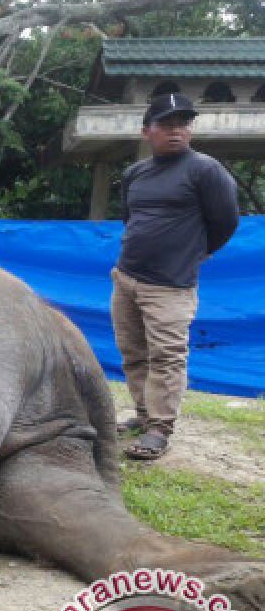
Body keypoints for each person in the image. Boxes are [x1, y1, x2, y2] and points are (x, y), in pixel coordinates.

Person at [112, 93, 240, 461]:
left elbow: (226, 222)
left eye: (183, 124)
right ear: (146, 132)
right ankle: (142, 414)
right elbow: (130, 219)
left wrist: (195, 253)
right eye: (166, 124)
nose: (176, 131)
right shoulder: (135, 173)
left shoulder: (205, 170)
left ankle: (160, 428)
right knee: (134, 354)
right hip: (127, 278)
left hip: (170, 285)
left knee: (167, 356)